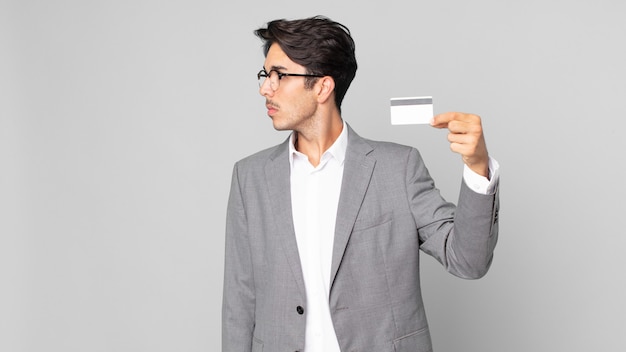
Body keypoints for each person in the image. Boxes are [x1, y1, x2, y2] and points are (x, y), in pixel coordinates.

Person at [222, 15, 500, 352]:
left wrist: (477, 166)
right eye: (265, 75)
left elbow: (468, 260)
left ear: (323, 87)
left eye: (279, 75)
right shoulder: (249, 177)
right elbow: (240, 300)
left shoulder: (398, 168)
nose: (265, 87)